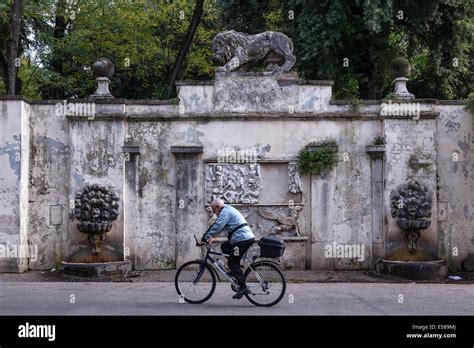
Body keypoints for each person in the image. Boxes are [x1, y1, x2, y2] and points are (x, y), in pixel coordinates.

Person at [202, 198, 255, 299]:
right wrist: (212, 237)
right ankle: (235, 270)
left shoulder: (225, 212)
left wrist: (205, 237)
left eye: (214, 210)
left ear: (217, 207)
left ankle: (243, 287)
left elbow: (217, 225)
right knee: (225, 247)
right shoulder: (226, 210)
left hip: (242, 240)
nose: (214, 213)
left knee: (232, 263)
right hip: (242, 238)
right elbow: (223, 227)